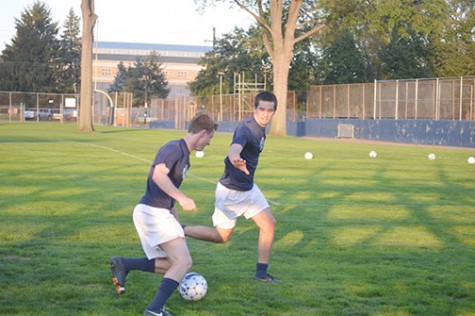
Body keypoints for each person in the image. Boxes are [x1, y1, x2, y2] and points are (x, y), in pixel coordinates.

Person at [110, 111, 218, 316]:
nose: (209, 143)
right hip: (152, 213)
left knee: (171, 264)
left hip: (158, 212)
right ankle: (154, 310)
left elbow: (165, 190)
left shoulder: (184, 155)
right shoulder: (174, 148)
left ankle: (123, 264)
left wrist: (174, 215)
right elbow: (159, 176)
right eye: (210, 138)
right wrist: (182, 198)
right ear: (203, 133)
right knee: (184, 262)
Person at [184, 91, 280, 283]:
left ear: (274, 112)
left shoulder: (261, 128)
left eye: (270, 110)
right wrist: (235, 159)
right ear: (254, 109)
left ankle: (261, 273)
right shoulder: (247, 129)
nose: (265, 114)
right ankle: (180, 229)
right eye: (261, 109)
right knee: (222, 237)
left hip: (249, 188)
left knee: (269, 224)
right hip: (231, 192)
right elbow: (234, 147)